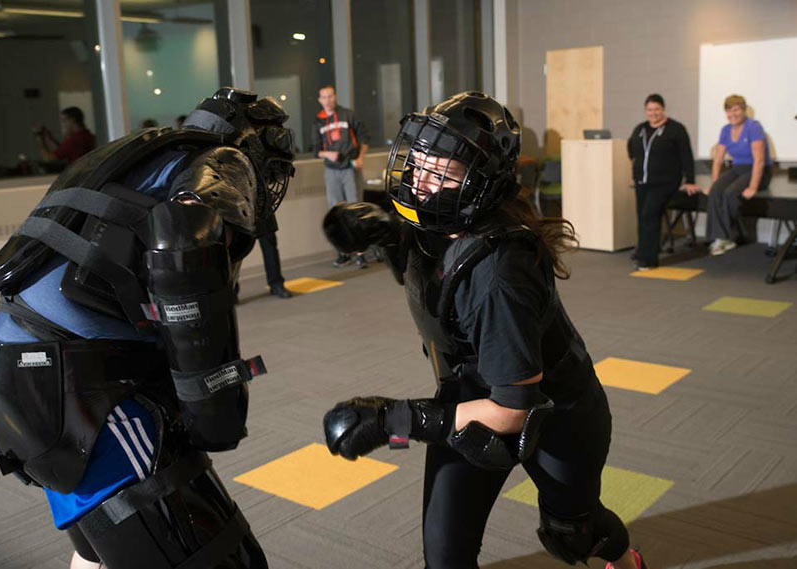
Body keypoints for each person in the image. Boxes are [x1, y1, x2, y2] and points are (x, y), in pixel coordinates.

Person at [0, 88, 295, 569]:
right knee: (218, 557)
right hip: (80, 390)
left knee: (104, 548)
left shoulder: (140, 155)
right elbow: (183, 238)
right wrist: (213, 403)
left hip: (13, 371)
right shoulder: (221, 159)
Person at [321, 92, 646, 569]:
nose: (421, 177)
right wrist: (390, 235)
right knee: (445, 557)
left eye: (441, 168)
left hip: (555, 411)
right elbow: (440, 298)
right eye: (420, 161)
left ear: (478, 182)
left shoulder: (500, 276)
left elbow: (513, 411)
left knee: (573, 532)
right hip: (474, 392)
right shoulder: (439, 221)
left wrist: (391, 420)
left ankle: (626, 558)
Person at [687, 94, 772, 255]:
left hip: (759, 171)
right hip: (738, 168)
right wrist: (714, 183)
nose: (732, 114)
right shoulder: (725, 130)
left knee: (730, 193)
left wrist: (753, 187)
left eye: (736, 110)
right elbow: (718, 160)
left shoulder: (753, 127)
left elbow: (759, 160)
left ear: (744, 110)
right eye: (729, 111)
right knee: (716, 191)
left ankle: (728, 238)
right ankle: (717, 238)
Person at [627, 94, 698, 270]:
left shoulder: (676, 129)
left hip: (665, 183)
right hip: (642, 182)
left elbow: (686, 155)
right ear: (646, 111)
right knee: (642, 216)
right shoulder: (640, 129)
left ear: (663, 109)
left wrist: (689, 180)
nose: (653, 113)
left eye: (657, 109)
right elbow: (631, 150)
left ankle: (648, 260)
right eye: (650, 110)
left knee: (649, 215)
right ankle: (644, 249)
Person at [313, 84, 371, 268]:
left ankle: (361, 253)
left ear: (335, 97)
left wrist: (361, 158)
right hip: (332, 171)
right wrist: (327, 154)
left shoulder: (348, 114)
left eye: (330, 96)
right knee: (336, 213)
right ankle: (343, 253)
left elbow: (364, 137)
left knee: (355, 210)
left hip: (350, 169)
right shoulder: (318, 121)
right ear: (319, 100)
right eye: (324, 97)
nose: (327, 100)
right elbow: (316, 151)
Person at [258, 214, 292, 298]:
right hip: (236, 207)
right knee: (236, 249)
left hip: (261, 208)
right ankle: (232, 289)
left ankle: (276, 284)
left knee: (270, 246)